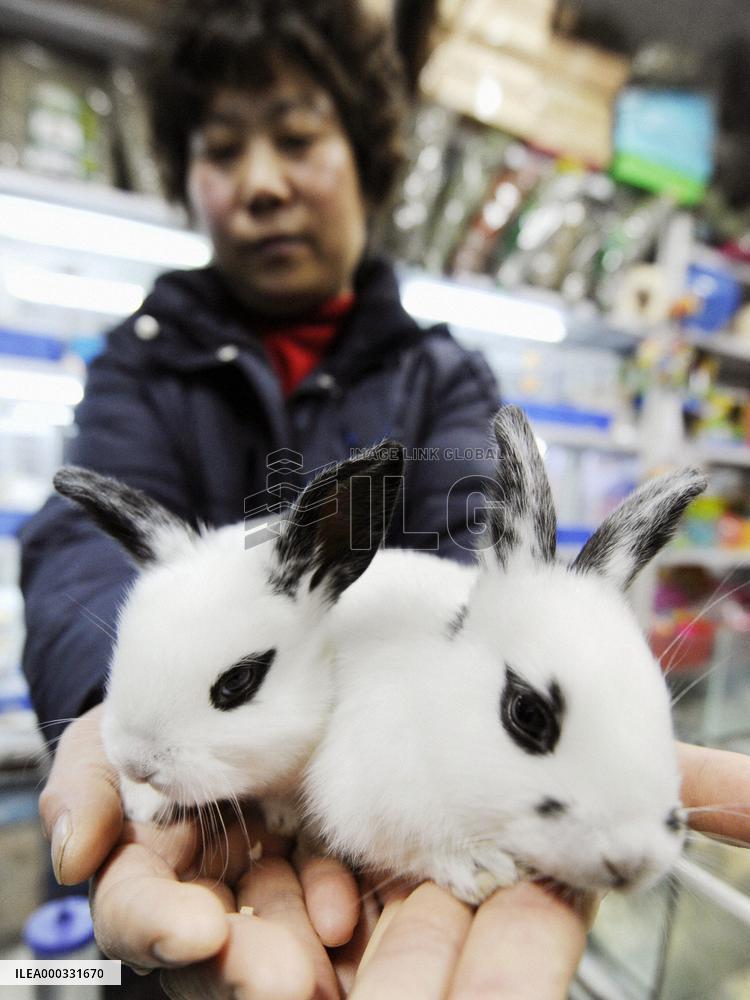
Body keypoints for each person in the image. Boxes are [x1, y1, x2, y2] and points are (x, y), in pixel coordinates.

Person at [20, 1, 750, 997]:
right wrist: (105, 715)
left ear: (364, 157)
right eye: (223, 149)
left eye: (296, 137)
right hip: (190, 870)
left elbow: (469, 550)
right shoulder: (141, 368)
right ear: (190, 176)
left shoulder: (442, 376)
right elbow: (82, 546)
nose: (263, 182)